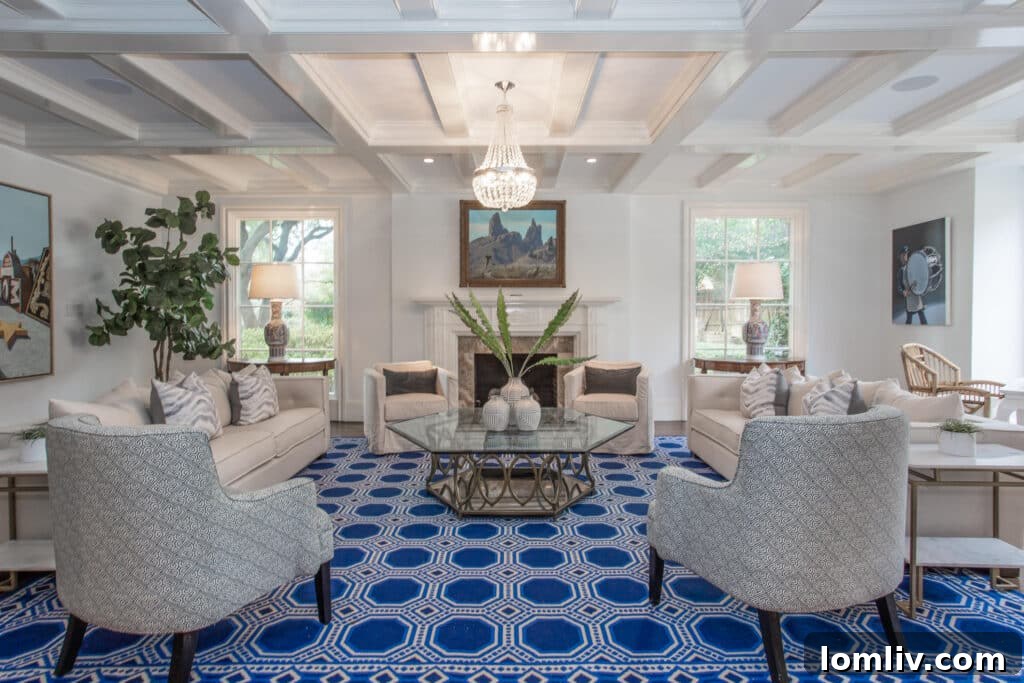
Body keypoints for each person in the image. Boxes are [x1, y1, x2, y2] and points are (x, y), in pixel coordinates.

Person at [896, 245, 927, 325]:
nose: (904, 257)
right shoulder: (900, 271)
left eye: (906, 255)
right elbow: (899, 286)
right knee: (909, 320)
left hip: (916, 295)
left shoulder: (912, 265)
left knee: (922, 317)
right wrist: (903, 292)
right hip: (909, 298)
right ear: (900, 257)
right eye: (903, 255)